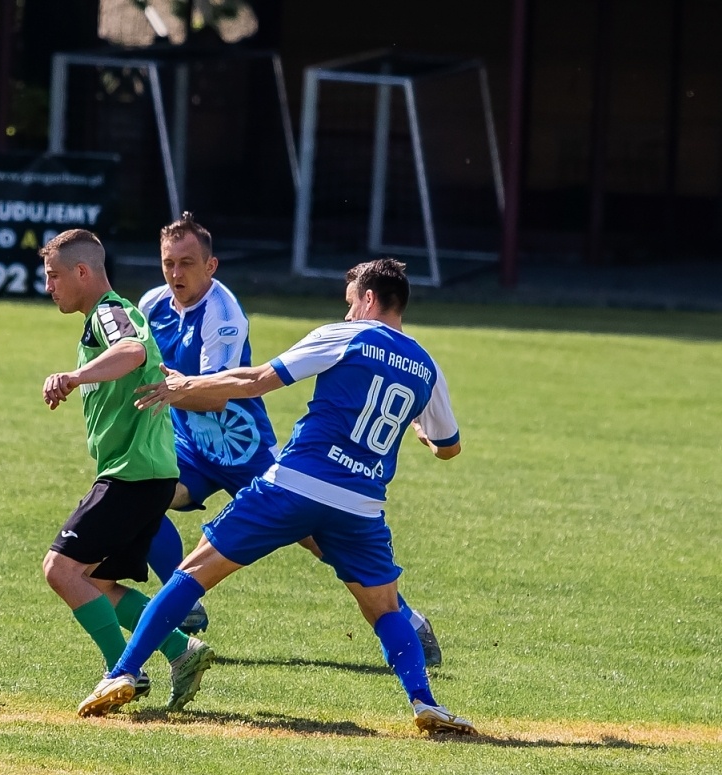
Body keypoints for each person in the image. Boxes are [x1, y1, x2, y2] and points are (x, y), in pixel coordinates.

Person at [79, 258, 471, 735]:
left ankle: (121, 672)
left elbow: (258, 379)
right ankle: (424, 701)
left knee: (195, 571)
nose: (347, 314)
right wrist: (422, 434)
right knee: (386, 609)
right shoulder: (426, 366)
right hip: (360, 506)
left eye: (351, 304)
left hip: (296, 486)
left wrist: (187, 384)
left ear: (368, 300)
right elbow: (449, 447)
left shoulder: (348, 336)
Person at [140, 212, 442, 666]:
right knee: (140, 495)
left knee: (322, 540)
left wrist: (159, 391)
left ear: (211, 266)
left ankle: (407, 617)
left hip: (243, 450)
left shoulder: (223, 314)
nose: (176, 274)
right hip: (192, 446)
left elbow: (214, 398)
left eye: (186, 263)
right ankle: (185, 605)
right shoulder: (152, 306)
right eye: (168, 263)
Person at [39, 228, 213, 715]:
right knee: (94, 581)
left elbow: (132, 351)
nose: (49, 286)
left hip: (132, 474)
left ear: (81, 272)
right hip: (146, 473)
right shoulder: (103, 316)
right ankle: (182, 650)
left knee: (61, 569)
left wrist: (74, 376)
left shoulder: (109, 314)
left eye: (54, 276)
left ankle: (123, 672)